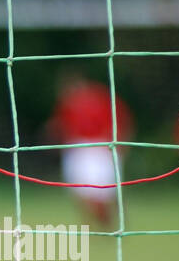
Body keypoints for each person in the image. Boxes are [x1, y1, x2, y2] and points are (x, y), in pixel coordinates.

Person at [46, 71, 134, 227]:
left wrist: (120, 142)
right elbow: (63, 125)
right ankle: (93, 224)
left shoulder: (100, 97)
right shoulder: (67, 103)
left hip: (101, 147)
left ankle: (110, 221)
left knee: (104, 192)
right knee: (80, 191)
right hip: (76, 149)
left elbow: (120, 119)